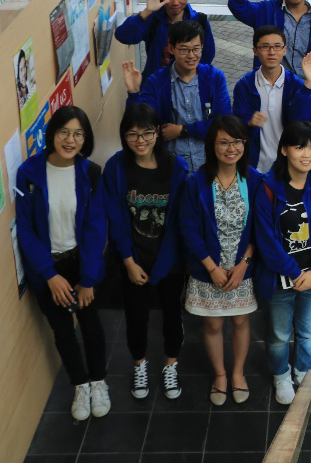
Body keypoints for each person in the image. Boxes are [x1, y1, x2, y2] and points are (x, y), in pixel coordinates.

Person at [14, 107, 110, 421]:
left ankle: (98, 382)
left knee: (91, 327)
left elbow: (96, 228)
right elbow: (25, 229)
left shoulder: (90, 172)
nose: (71, 140)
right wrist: (49, 275)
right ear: (52, 134)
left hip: (82, 264)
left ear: (86, 138)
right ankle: (80, 385)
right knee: (63, 331)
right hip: (47, 269)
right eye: (64, 132)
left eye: (78, 134)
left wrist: (88, 279)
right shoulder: (29, 172)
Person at [253, 122, 311, 405]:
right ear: (284, 150)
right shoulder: (268, 188)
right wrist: (294, 272)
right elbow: (266, 241)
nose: (307, 154)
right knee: (279, 335)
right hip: (280, 278)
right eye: (299, 147)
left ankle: (303, 373)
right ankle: (281, 376)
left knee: (308, 333)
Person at [103, 104, 189, 401]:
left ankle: (171, 365)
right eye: (132, 135)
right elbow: (115, 217)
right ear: (123, 136)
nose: (140, 141)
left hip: (170, 261)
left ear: (157, 134)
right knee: (136, 318)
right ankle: (139, 364)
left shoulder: (176, 167)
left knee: (172, 314)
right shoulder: (116, 167)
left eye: (147, 133)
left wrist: (163, 265)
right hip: (132, 260)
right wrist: (128, 261)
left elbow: (179, 221)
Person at [178, 115, 262, 406]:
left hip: (241, 268)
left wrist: (244, 264)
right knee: (213, 326)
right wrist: (211, 268)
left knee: (240, 320)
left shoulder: (254, 180)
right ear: (212, 145)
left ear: (245, 144)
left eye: (237, 142)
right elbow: (188, 228)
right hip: (208, 270)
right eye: (224, 142)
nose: (231, 148)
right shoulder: (196, 183)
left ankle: (237, 373)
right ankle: (220, 375)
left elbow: (260, 227)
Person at [123, 19, 233, 173]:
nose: (191, 56)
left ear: (202, 46)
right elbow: (142, 124)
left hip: (210, 165)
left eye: (196, 49)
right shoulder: (157, 81)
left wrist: (182, 130)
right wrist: (134, 93)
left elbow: (223, 123)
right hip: (172, 167)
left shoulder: (214, 77)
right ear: (171, 48)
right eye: (184, 50)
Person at [232, 27, 311, 173]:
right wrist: (248, 121)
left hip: (288, 166)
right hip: (254, 167)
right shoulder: (245, 85)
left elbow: (301, 123)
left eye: (277, 46)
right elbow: (235, 127)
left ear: (284, 50)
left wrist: (308, 84)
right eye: (265, 47)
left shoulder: (296, 85)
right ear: (255, 51)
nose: (271, 52)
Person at [115, 0, 216, 80]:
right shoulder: (152, 20)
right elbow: (123, 36)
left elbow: (207, 55)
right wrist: (147, 11)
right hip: (156, 85)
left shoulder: (200, 21)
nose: (175, 2)